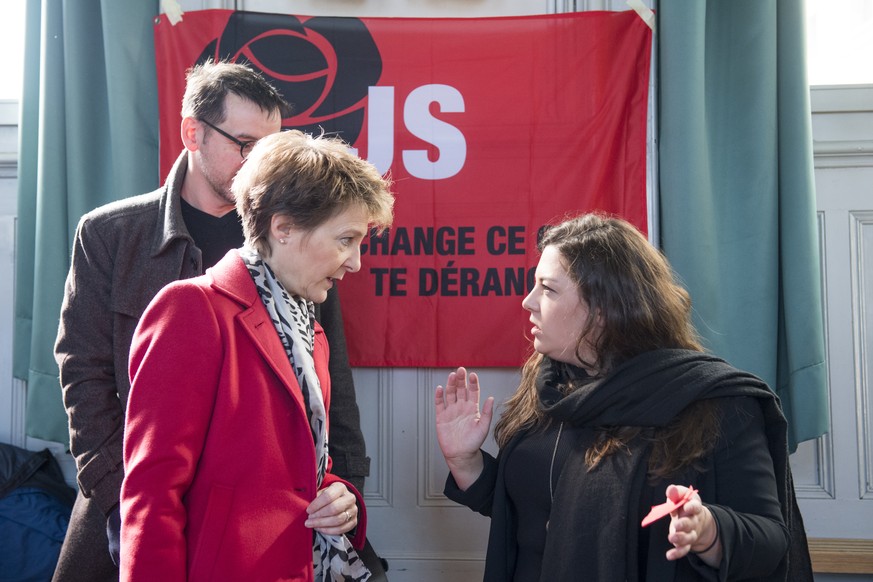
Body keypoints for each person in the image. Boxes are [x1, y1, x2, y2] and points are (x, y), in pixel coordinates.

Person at [53, 61, 373, 581]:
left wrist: (345, 491)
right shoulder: (111, 234)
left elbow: (325, 391)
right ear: (192, 133)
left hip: (255, 530)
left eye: (271, 150)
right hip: (131, 503)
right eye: (245, 145)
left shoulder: (296, 250)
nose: (260, 167)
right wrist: (122, 500)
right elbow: (83, 374)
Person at [435, 213, 814, 581]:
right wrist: (466, 463)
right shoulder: (548, 384)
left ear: (603, 309)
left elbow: (770, 542)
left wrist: (708, 530)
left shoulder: (712, 401)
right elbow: (533, 510)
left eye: (547, 289)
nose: (528, 301)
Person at [120, 129, 394, 580]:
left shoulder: (313, 334)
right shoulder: (192, 309)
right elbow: (152, 494)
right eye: (346, 240)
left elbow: (301, 473)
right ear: (282, 227)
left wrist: (341, 499)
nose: (356, 262)